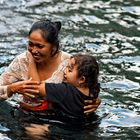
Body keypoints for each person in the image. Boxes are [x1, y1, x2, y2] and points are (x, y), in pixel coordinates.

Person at [0, 19, 100, 115]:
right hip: (26, 112)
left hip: (58, 118)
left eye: (40, 46)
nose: (34, 51)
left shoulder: (69, 64)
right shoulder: (21, 61)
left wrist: (94, 100)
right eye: (30, 44)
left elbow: (86, 85)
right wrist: (12, 89)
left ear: (53, 47)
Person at [22, 54, 100, 118]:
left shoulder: (64, 91)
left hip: (64, 128)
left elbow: (34, 87)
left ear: (82, 79)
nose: (64, 70)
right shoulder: (93, 88)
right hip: (87, 124)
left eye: (69, 70)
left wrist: (31, 61)